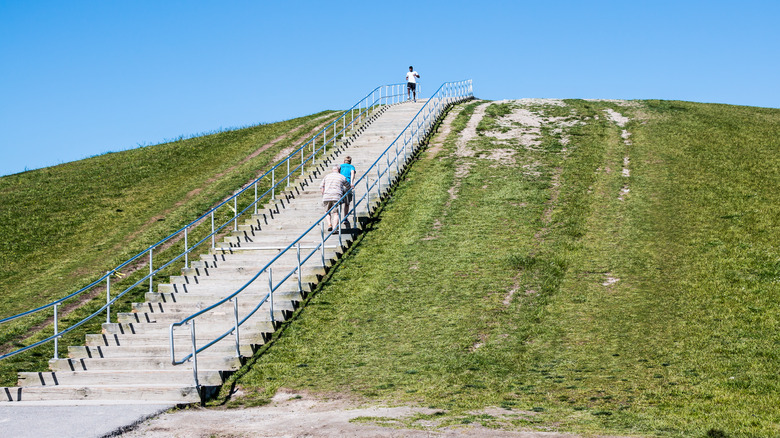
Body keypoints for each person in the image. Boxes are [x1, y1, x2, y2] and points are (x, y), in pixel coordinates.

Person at [320, 165, 350, 231]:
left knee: (327, 211)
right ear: (339, 170)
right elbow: (348, 186)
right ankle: (334, 228)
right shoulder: (342, 177)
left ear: (332, 170)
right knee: (336, 213)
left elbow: (321, 186)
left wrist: (323, 193)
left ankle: (329, 224)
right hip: (337, 196)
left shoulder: (327, 176)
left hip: (326, 196)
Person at [339, 156, 357, 226]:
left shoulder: (340, 166)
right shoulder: (351, 167)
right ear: (350, 161)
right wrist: (352, 183)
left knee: (339, 203)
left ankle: (337, 219)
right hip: (347, 185)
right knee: (347, 203)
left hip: (340, 185)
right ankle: (345, 218)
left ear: (344, 161)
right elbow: (352, 173)